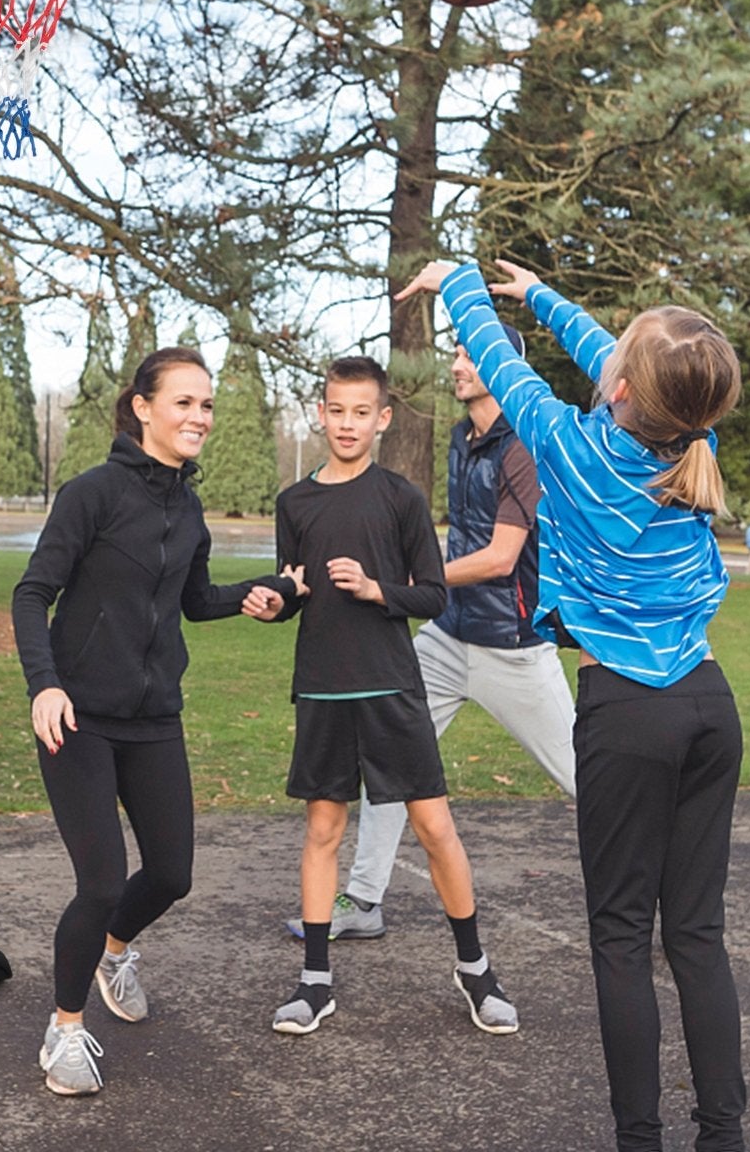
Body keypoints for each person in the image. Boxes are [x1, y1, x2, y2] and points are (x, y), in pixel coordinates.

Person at [400, 257, 747, 1152]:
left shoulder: (572, 444)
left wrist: (462, 282)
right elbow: (629, 366)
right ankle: (725, 1136)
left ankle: (640, 1139)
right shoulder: (694, 438)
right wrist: (543, 297)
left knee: (623, 940)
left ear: (623, 388)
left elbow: (498, 357)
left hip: (629, 713)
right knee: (697, 937)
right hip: (709, 706)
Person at [12, 346, 299, 1097]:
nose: (200, 417)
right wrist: (44, 686)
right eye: (185, 403)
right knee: (102, 879)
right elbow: (30, 593)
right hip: (77, 717)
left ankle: (114, 954)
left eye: (207, 405)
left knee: (172, 874)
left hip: (154, 716)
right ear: (143, 408)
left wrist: (258, 593)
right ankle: (65, 1031)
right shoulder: (93, 494)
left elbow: (193, 598)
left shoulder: (188, 506)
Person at [259, 354, 519, 1039]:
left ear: (382, 419)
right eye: (335, 410)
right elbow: (296, 591)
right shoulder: (295, 503)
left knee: (436, 830)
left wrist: (378, 590)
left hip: (392, 688)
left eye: (360, 413)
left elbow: (432, 594)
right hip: (321, 688)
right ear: (320, 413)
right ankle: (315, 983)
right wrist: (275, 601)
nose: (347, 424)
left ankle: (476, 971)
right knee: (323, 831)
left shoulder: (402, 498)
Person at [292, 324, 577, 943]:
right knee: (389, 762)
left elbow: (501, 557)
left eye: (470, 354)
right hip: (448, 638)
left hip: (513, 646)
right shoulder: (462, 438)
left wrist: (400, 580)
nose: (456, 363)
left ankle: (658, 900)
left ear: (503, 367)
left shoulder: (522, 446)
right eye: (456, 351)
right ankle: (363, 901)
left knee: (589, 777)